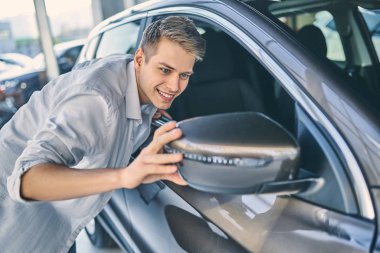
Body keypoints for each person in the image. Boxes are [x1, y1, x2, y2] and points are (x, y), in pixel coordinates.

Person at [0, 16, 205, 253]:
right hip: (13, 224)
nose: (173, 86)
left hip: (56, 220)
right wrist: (126, 176)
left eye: (184, 75)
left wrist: (151, 105)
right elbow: (26, 180)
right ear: (140, 59)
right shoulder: (97, 101)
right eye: (165, 70)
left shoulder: (135, 77)